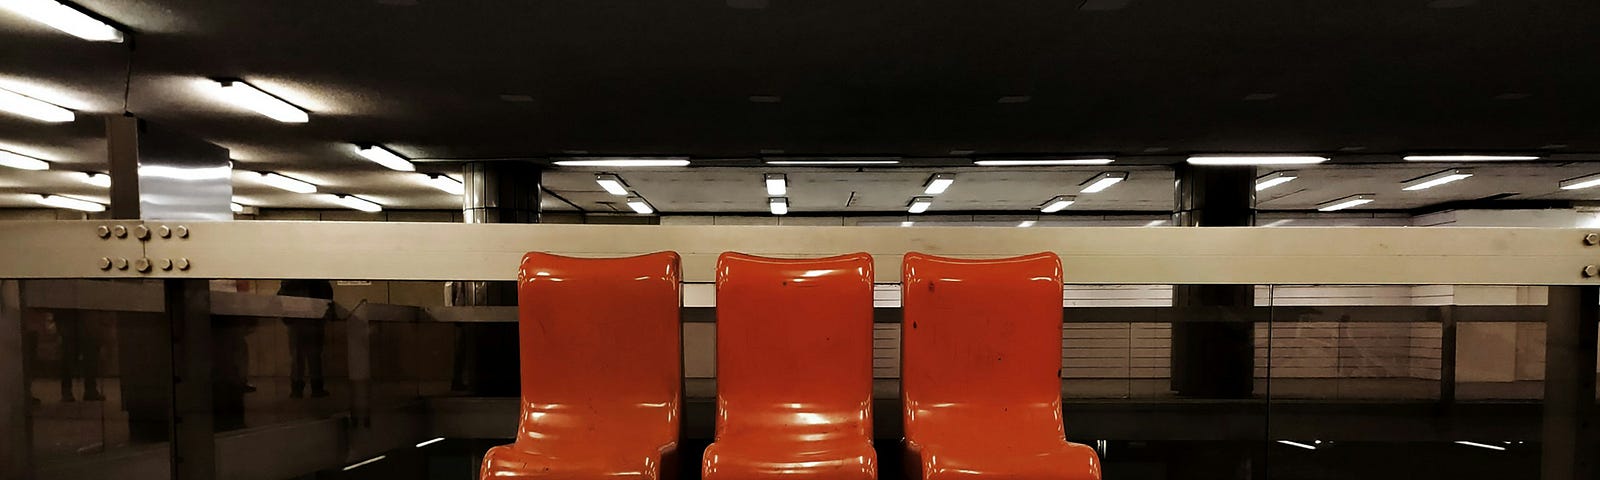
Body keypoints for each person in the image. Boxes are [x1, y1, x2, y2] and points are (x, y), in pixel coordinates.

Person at [277, 280, 333, 398]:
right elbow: (327, 296)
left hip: (295, 321)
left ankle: (297, 388)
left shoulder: (289, 282)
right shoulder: (318, 282)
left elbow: (280, 300)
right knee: (314, 356)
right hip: (313, 320)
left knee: (297, 356)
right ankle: (316, 387)